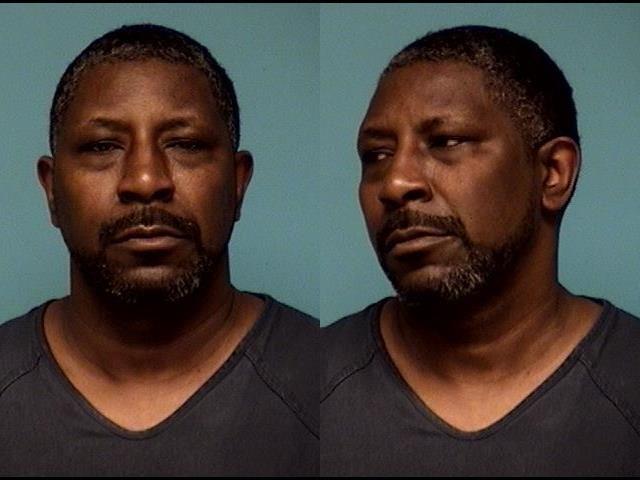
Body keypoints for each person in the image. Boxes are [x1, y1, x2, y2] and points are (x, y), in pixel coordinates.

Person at [0, 24, 318, 476]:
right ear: (52, 191)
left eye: (185, 144)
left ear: (237, 182)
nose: (146, 180)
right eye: (102, 146)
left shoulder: (324, 385)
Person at [322, 25, 640, 475]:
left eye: (446, 142)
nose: (395, 183)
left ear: (553, 173)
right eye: (376, 155)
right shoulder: (310, 384)